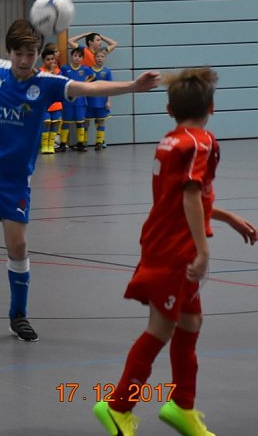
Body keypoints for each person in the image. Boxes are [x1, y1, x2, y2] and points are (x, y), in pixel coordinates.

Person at [0, 20, 160, 342]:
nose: (25, 61)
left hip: (13, 176)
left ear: (38, 54)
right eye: (19, 54)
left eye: (31, 54)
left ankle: (18, 315)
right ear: (9, 52)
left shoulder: (47, 83)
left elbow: (89, 88)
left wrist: (133, 86)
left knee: (18, 245)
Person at [92, 68, 257, 436]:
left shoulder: (171, 140)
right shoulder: (201, 143)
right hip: (174, 249)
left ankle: (182, 406)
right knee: (160, 328)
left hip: (162, 239)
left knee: (190, 322)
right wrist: (203, 251)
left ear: (169, 110)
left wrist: (227, 217)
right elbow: (190, 196)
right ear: (212, 108)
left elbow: (179, 198)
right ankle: (118, 407)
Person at [59, 46, 93, 152]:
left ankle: (80, 143)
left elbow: (93, 76)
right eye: (75, 56)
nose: (77, 58)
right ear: (71, 56)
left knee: (80, 121)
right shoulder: (65, 68)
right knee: (66, 121)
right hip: (68, 100)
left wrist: (85, 83)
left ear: (82, 58)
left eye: (79, 56)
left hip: (81, 100)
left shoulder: (85, 69)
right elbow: (60, 79)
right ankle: (63, 144)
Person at [88, 49, 114, 151]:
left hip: (102, 101)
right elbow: (83, 84)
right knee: (85, 122)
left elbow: (110, 87)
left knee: (101, 121)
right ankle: (83, 142)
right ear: (94, 58)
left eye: (102, 57)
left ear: (105, 58)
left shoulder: (107, 71)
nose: (100, 59)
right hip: (89, 100)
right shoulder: (88, 70)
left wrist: (109, 101)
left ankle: (99, 142)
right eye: (98, 56)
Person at [39, 45, 63, 154]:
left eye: (52, 59)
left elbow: (60, 86)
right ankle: (44, 145)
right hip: (45, 104)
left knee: (55, 124)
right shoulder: (40, 72)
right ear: (43, 61)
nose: (51, 61)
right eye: (48, 59)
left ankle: (51, 145)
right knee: (46, 123)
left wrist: (54, 74)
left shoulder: (59, 72)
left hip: (56, 103)